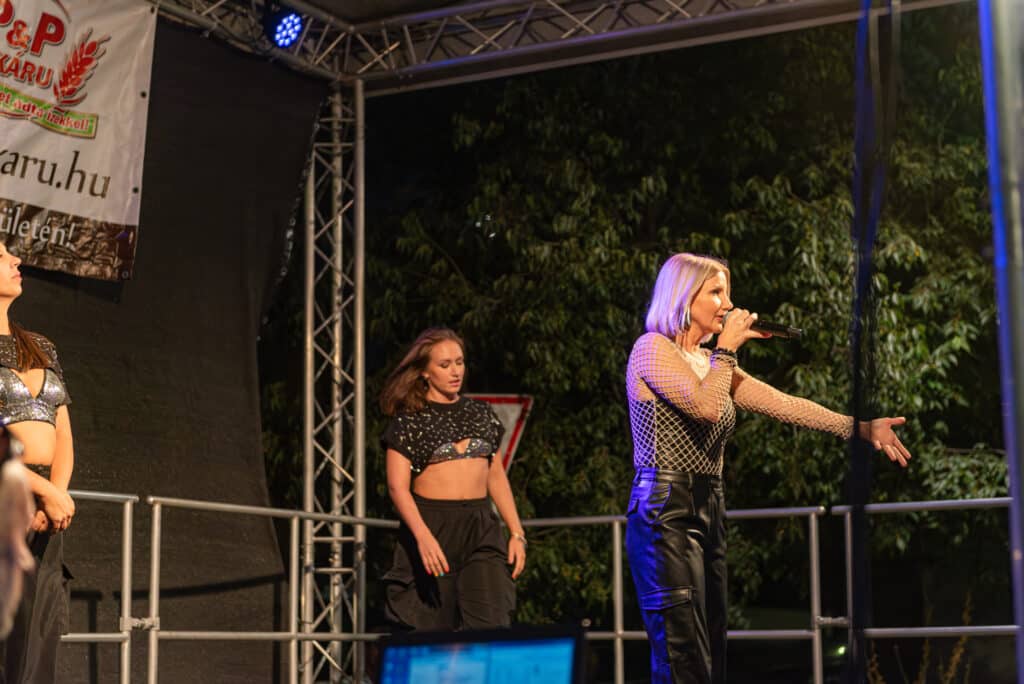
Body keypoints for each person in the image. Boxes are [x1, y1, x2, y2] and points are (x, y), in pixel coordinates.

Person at [625, 253, 910, 684]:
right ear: (683, 297)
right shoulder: (652, 348)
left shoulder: (711, 363)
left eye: (728, 293)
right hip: (665, 510)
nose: (728, 304)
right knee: (682, 654)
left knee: (712, 651)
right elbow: (705, 407)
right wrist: (726, 351)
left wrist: (860, 428)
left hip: (710, 506)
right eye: (716, 292)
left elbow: (784, 404)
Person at [380, 327, 526, 631]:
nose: (455, 371)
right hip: (432, 526)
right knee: (430, 632)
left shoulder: (481, 413)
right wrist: (422, 536)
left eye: (459, 362)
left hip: (480, 527)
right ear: (425, 372)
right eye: (444, 365)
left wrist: (516, 532)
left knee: (491, 624)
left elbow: (496, 476)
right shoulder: (409, 420)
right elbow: (397, 487)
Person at [0, 244, 75, 684]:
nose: (16, 261)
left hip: (45, 516)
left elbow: (63, 431)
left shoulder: (41, 346)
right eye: (1, 256)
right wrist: (42, 490)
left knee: (37, 647)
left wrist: (56, 494)